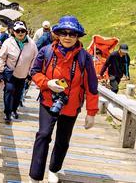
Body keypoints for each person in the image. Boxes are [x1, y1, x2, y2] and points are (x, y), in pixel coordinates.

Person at [28, 16, 98, 183]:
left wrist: (91, 112)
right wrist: (47, 83)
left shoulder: (84, 57)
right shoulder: (46, 51)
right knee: (43, 135)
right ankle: (35, 175)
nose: (68, 37)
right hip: (48, 101)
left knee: (63, 140)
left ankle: (54, 169)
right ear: (57, 34)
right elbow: (34, 72)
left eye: (72, 34)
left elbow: (92, 85)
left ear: (78, 36)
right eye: (64, 33)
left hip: (71, 105)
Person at [0, 21, 38, 123]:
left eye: (22, 30)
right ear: (13, 32)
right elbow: (1, 57)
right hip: (10, 73)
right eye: (17, 31)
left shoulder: (32, 44)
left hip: (23, 74)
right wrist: (1, 71)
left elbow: (35, 60)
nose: (20, 33)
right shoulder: (8, 42)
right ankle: (7, 113)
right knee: (9, 91)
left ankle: (14, 109)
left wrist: (30, 74)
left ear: (26, 32)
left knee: (18, 94)